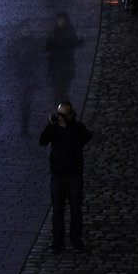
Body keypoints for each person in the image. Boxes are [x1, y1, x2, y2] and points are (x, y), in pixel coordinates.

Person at [39, 101, 92, 252]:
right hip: (57, 176)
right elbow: (42, 141)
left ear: (71, 114)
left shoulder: (77, 128)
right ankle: (58, 242)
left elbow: (85, 138)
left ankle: (76, 241)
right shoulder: (54, 128)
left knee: (76, 210)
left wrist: (67, 127)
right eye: (59, 114)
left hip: (74, 175)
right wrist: (50, 125)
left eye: (63, 114)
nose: (60, 117)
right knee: (57, 210)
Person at [45, 12, 82, 104]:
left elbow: (74, 43)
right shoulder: (53, 32)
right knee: (57, 91)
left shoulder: (69, 31)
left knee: (63, 91)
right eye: (58, 20)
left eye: (62, 20)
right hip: (56, 65)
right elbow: (47, 46)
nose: (60, 22)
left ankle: (64, 111)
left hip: (66, 65)